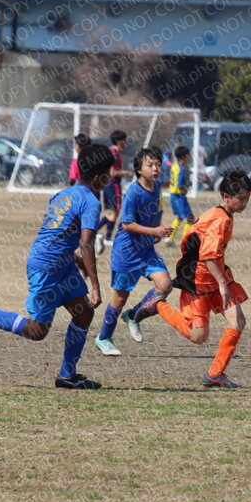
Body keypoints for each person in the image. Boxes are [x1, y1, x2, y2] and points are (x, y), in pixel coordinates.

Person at [0, 143, 115, 389]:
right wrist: (95, 286)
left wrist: (72, 259)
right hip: (47, 268)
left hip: (60, 263)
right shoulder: (92, 202)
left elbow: (57, 233)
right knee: (37, 331)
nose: (111, 178)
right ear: (99, 178)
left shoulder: (63, 195)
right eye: (109, 174)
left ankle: (67, 375)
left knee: (84, 313)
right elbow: (86, 245)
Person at [149, 170, 251, 388]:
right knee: (198, 336)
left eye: (247, 199)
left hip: (216, 275)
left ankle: (215, 374)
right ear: (226, 197)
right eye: (241, 199)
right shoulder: (219, 220)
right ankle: (157, 304)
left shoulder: (224, 214)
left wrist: (222, 281)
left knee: (238, 321)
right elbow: (207, 256)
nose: (244, 204)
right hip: (198, 279)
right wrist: (223, 284)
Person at [94, 148, 174, 355]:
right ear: (139, 170)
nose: (155, 169)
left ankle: (133, 315)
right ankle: (104, 338)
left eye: (158, 165)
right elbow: (127, 224)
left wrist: (158, 230)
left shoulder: (157, 188)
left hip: (146, 250)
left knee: (165, 285)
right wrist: (154, 231)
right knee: (120, 298)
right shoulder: (133, 192)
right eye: (150, 165)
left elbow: (156, 213)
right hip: (127, 252)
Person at [98, 130, 132, 251]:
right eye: (124, 140)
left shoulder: (115, 152)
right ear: (118, 141)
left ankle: (94, 232)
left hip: (112, 184)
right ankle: (107, 238)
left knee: (114, 212)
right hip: (112, 184)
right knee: (114, 211)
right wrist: (126, 172)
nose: (125, 143)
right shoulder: (113, 152)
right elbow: (112, 172)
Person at [163, 146, 195, 248]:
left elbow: (171, 180)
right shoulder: (182, 169)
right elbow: (180, 184)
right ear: (184, 157)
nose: (190, 157)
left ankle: (169, 238)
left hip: (173, 195)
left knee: (180, 217)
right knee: (190, 218)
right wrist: (185, 188)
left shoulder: (174, 166)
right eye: (189, 155)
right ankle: (185, 242)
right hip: (179, 196)